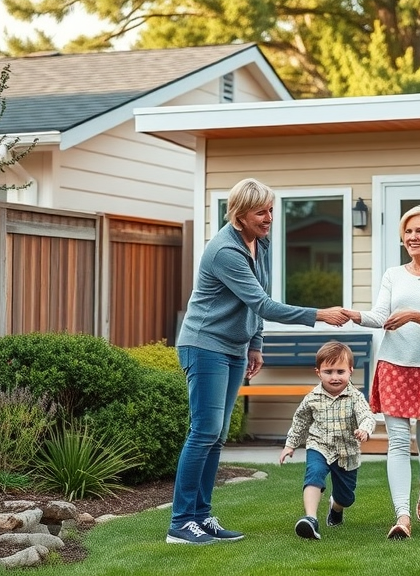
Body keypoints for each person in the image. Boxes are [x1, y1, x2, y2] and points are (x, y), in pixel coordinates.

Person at [167, 177, 349, 545]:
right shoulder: (225, 251)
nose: (269, 218)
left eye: (271, 210)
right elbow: (263, 304)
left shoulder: (258, 243)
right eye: (261, 211)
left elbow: (256, 300)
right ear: (239, 214)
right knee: (203, 432)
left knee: (215, 438)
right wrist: (318, 314)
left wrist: (255, 343)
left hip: (232, 347)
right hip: (204, 345)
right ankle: (181, 522)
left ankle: (201, 518)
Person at [343, 205, 420, 540]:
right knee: (397, 442)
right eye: (408, 231)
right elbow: (381, 313)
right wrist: (355, 315)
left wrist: (413, 315)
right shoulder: (393, 275)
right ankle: (402, 516)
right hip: (394, 365)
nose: (412, 236)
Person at [279, 340, 376, 540]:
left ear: (350, 371)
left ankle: (336, 507)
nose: (334, 377)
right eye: (328, 372)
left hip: (346, 452)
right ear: (318, 372)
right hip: (319, 445)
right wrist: (290, 444)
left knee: (346, 497)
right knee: (314, 474)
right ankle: (310, 519)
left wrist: (364, 430)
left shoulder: (355, 397)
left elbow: (367, 415)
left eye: (340, 372)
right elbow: (300, 421)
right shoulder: (312, 397)